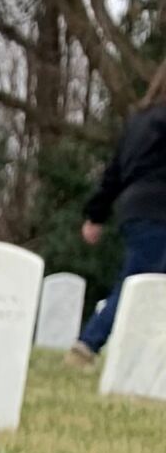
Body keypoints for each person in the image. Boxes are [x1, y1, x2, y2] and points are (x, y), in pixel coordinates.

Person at [70, 57, 166, 363]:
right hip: (158, 212)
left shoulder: (139, 121)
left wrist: (96, 215)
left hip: (134, 209)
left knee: (141, 283)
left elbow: (114, 172)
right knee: (137, 286)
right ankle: (88, 344)